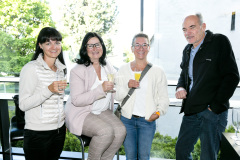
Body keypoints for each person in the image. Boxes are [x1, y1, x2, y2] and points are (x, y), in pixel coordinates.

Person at [175, 13, 240, 160]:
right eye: (184, 29)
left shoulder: (218, 41)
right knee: (181, 151)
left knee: (208, 156)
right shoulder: (187, 50)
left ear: (203, 26)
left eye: (192, 27)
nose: (187, 32)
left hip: (212, 112)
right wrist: (180, 87)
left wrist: (215, 106)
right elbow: (183, 75)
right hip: (191, 111)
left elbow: (232, 76)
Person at [65, 32, 126, 160]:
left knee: (121, 132)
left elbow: (118, 78)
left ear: (102, 46)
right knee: (106, 132)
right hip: (83, 112)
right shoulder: (77, 70)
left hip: (102, 110)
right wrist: (101, 89)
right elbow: (77, 100)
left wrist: (128, 81)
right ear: (84, 49)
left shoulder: (106, 65)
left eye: (97, 45)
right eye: (90, 46)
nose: (95, 49)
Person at [115, 33, 169, 160]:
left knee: (144, 157)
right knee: (131, 157)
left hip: (147, 121)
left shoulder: (157, 71)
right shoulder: (123, 69)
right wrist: (127, 86)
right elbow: (117, 96)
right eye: (137, 45)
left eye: (144, 45)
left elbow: (164, 97)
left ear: (149, 48)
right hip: (127, 120)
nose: (141, 48)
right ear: (132, 48)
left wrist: (158, 113)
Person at [19, 27, 67, 160]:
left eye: (57, 42)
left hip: (58, 131)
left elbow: (58, 101)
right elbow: (23, 104)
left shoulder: (61, 70)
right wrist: (48, 90)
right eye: (48, 43)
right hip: (37, 134)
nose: (54, 47)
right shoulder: (30, 69)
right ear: (40, 45)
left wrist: (62, 121)